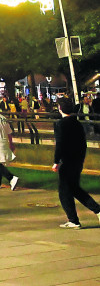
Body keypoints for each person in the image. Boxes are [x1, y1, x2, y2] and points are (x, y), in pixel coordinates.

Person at [53, 97, 100, 229]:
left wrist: (56, 161)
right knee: (74, 188)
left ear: (60, 108)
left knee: (64, 191)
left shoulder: (60, 124)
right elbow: (82, 144)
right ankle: (97, 210)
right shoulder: (77, 123)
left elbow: (60, 144)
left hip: (66, 161)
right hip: (77, 160)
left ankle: (73, 219)